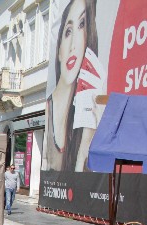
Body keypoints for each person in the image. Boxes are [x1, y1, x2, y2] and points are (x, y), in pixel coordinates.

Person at [42, 0, 100, 172]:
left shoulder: (87, 112)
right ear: (59, 49)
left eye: (82, 25)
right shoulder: (49, 108)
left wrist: (84, 148)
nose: (74, 44)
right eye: (68, 31)